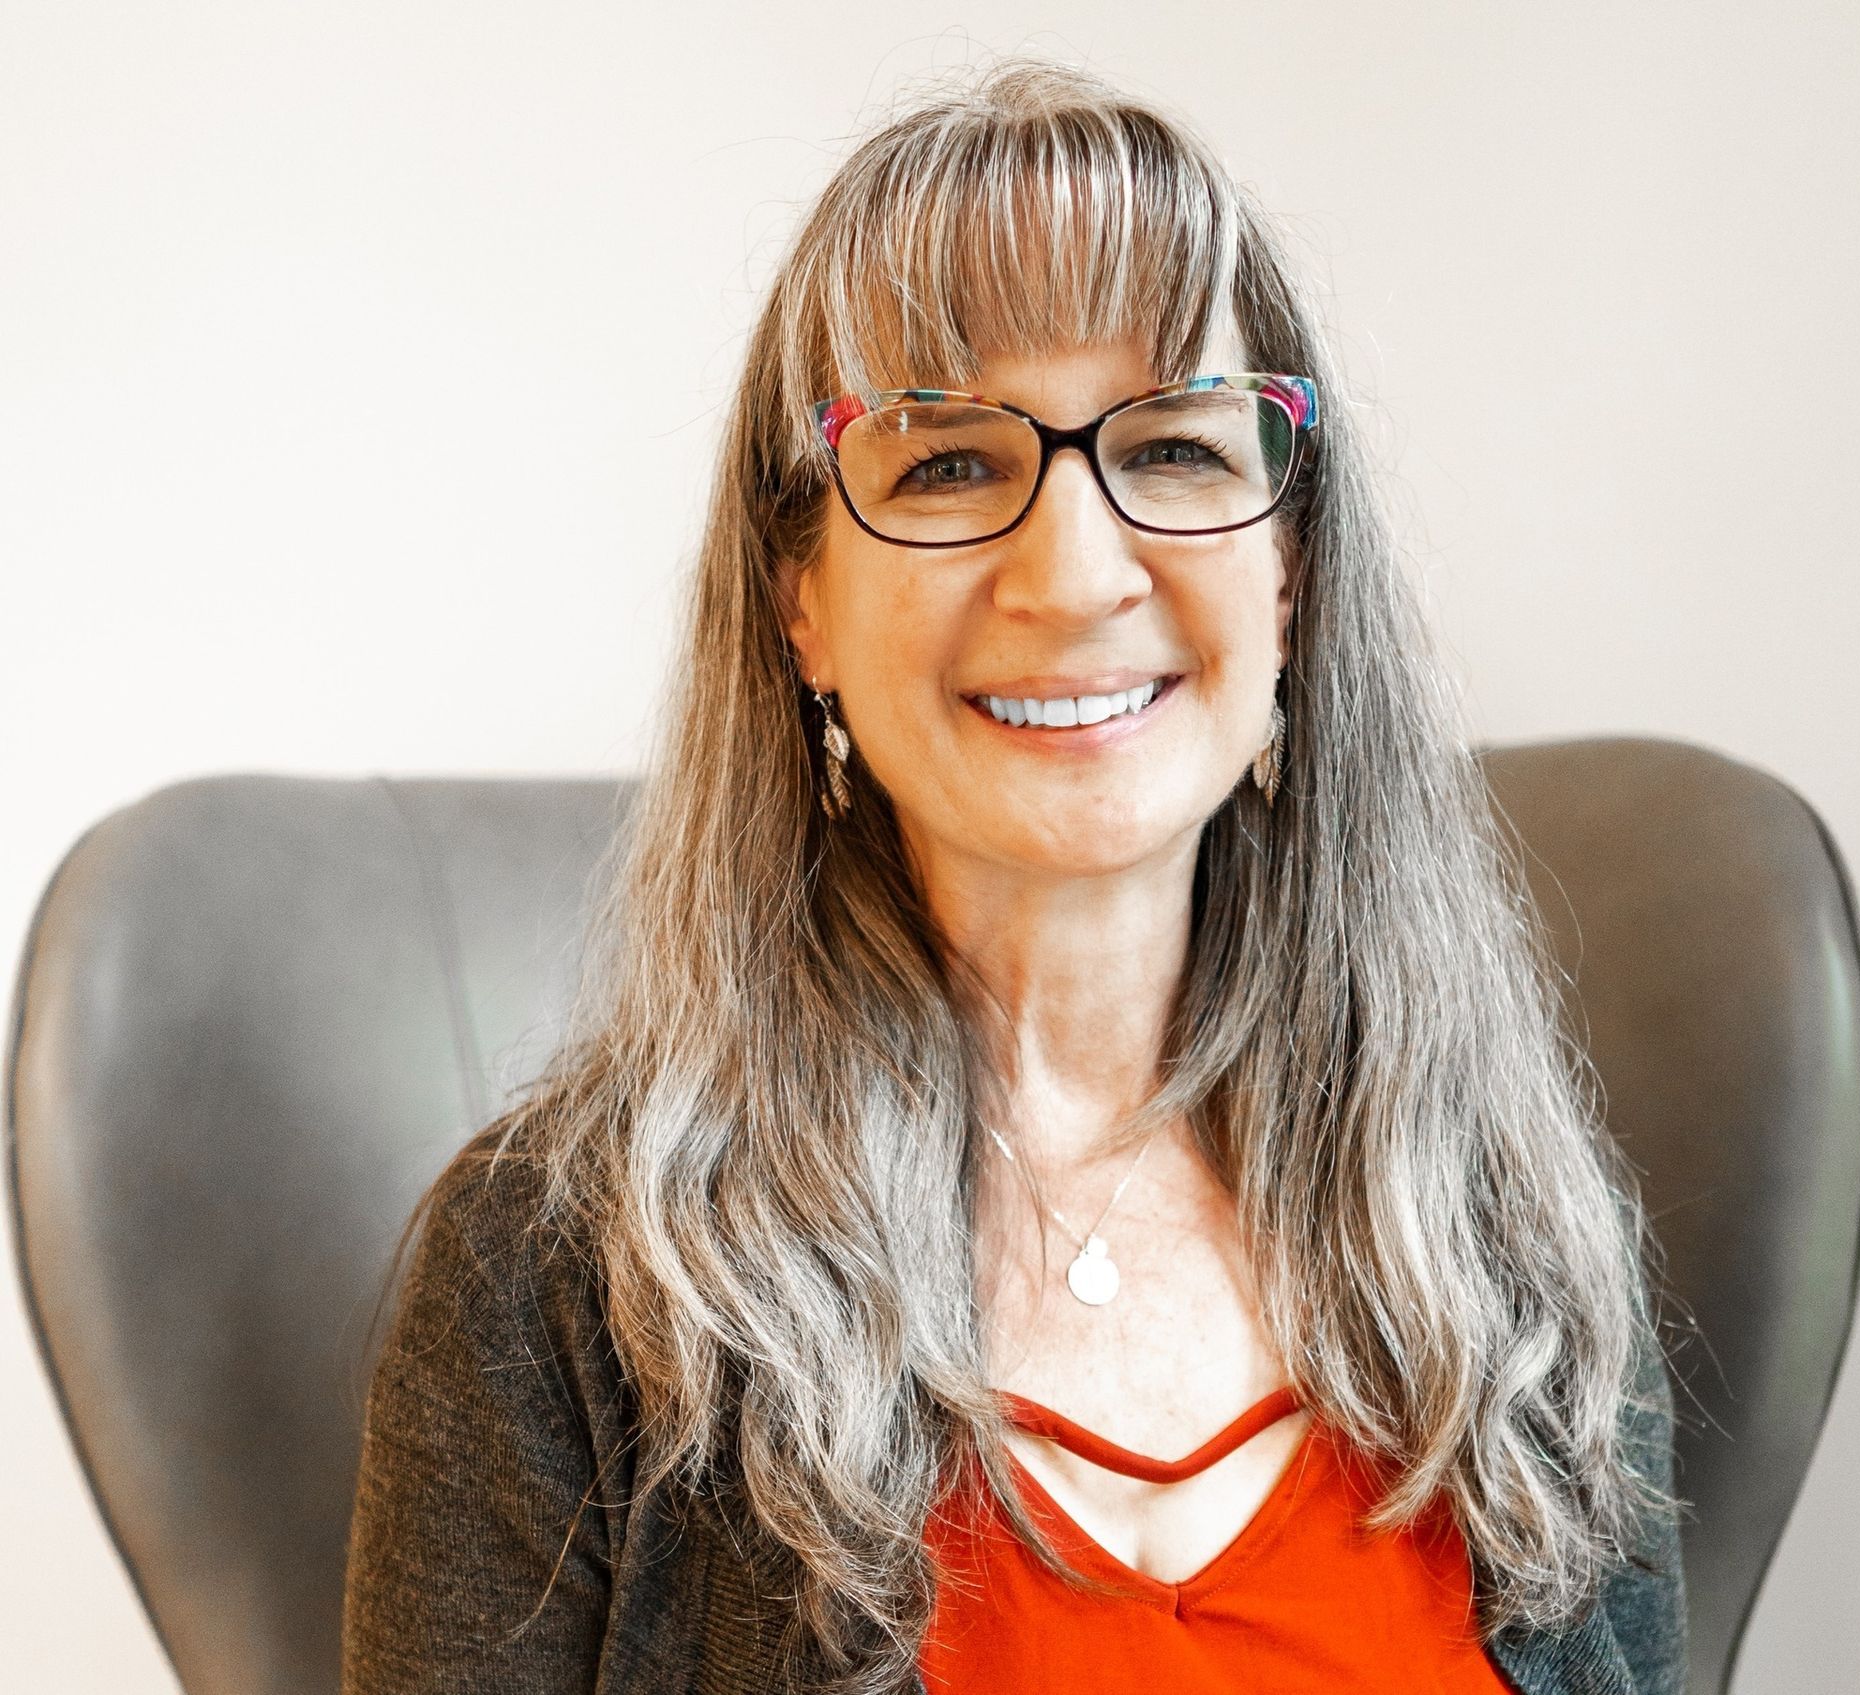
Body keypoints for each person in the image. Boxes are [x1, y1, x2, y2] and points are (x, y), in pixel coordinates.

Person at [342, 56, 1687, 1695]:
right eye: (949, 463)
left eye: (1180, 451)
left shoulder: (1515, 1242)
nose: (1074, 573)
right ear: (802, 605)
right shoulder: (551, 1281)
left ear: (1292, 578)